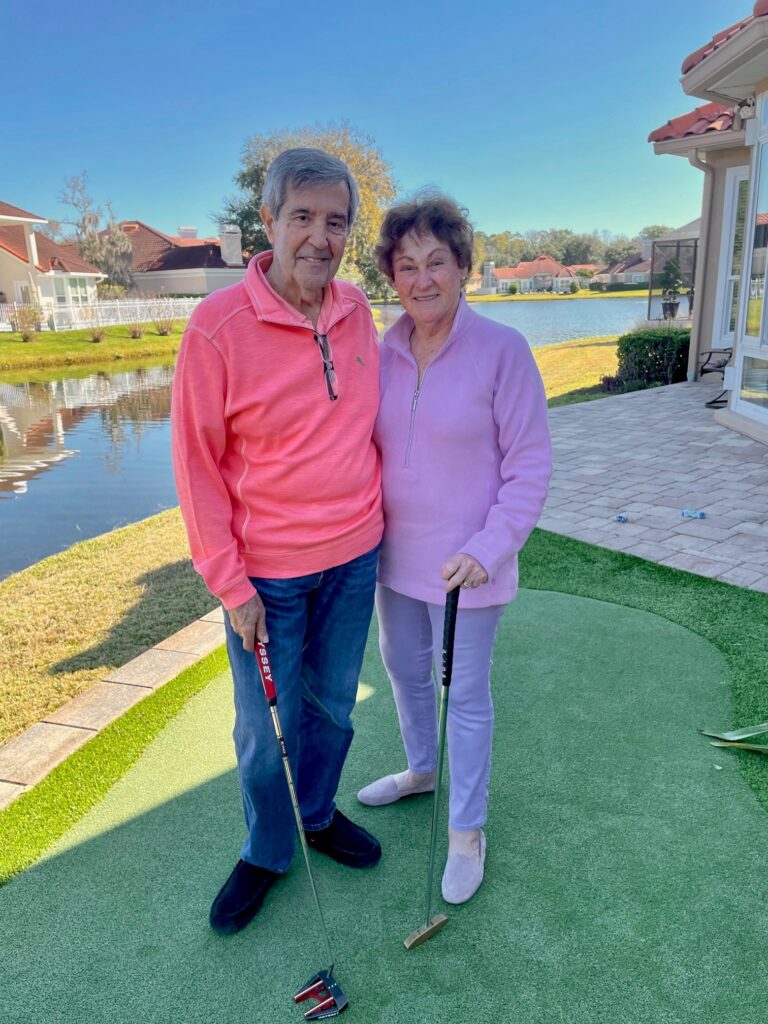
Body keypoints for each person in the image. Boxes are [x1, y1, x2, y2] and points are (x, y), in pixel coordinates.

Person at [172, 148, 384, 935]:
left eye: (336, 222)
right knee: (265, 731)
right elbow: (196, 468)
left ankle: (319, 815)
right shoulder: (216, 327)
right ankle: (268, 848)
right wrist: (230, 584)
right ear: (267, 222)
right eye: (303, 217)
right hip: (267, 579)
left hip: (355, 557)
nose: (320, 238)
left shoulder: (358, 310)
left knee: (332, 710)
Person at [357, 193, 551, 904]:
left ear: (464, 267)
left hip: (468, 566)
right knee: (402, 671)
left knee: (463, 696)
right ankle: (421, 770)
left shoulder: (503, 350)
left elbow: (530, 466)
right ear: (391, 275)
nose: (422, 278)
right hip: (393, 557)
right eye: (406, 265)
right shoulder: (383, 350)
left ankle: (467, 831)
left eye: (437, 261)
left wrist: (491, 546)